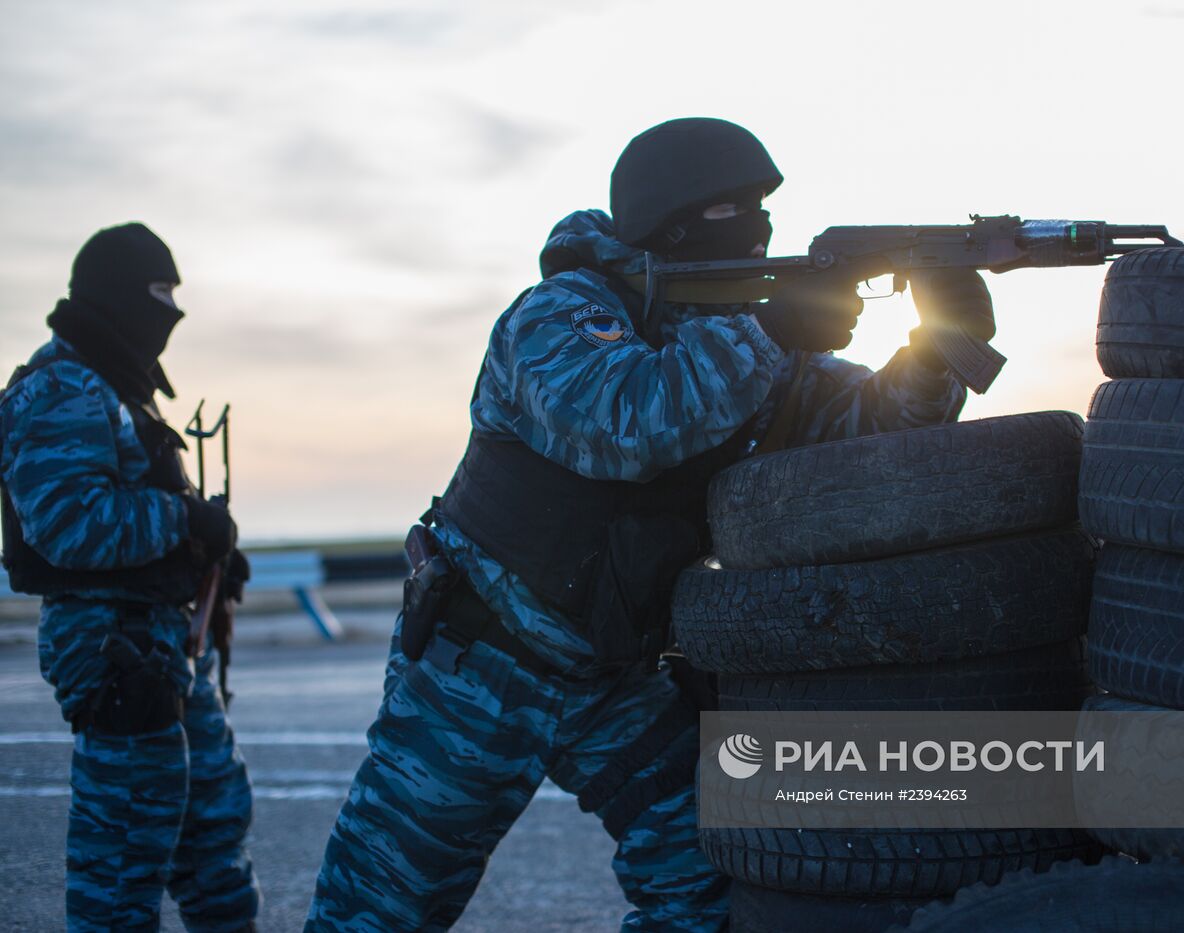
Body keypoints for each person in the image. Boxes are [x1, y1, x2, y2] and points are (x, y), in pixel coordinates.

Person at [305, 117, 993, 932]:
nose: (762, 227)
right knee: (375, 913)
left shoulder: (750, 344)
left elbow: (866, 436)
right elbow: (626, 423)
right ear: (670, 223)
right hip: (482, 662)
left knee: (713, 891)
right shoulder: (558, 316)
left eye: (763, 207)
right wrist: (772, 330)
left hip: (613, 680)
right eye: (731, 209)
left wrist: (944, 345)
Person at [0, 223, 261, 932]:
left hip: (165, 645)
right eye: (157, 294)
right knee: (119, 868)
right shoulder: (63, 387)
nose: (170, 312)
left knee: (212, 835)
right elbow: (69, 523)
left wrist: (205, 555)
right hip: (117, 653)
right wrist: (184, 523)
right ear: (117, 295)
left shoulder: (116, 387)